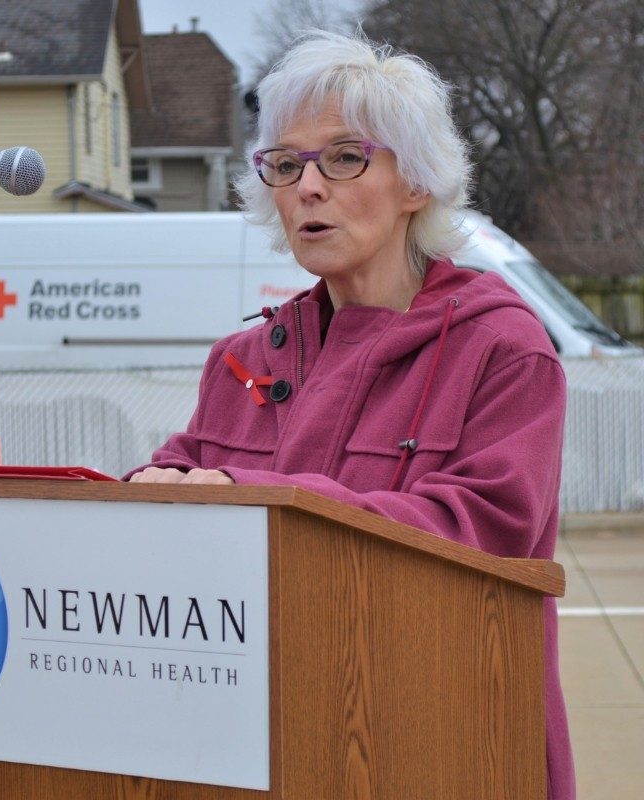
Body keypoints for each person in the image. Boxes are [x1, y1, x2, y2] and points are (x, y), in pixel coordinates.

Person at [127, 29, 574, 799]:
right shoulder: (241, 362)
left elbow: (480, 535)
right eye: (287, 164)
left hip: (444, 743)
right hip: (262, 745)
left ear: (417, 183)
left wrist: (254, 499)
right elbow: (167, 491)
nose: (308, 186)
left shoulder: (505, 351)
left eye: (343, 157)